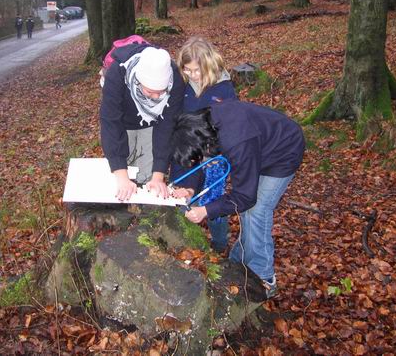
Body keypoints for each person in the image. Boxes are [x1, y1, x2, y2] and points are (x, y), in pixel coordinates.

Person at [170, 100, 305, 298]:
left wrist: (206, 210)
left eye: (201, 157)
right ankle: (238, 260)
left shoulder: (237, 140)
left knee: (257, 210)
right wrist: (190, 189)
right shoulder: (201, 125)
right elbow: (199, 162)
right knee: (247, 211)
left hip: (283, 151)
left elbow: (245, 197)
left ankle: (264, 277)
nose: (203, 161)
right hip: (258, 146)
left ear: (203, 145)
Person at [174, 36, 237, 252]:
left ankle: (219, 244)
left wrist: (217, 152)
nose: (192, 75)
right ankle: (186, 242)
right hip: (188, 150)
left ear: (208, 64)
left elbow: (231, 124)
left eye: (197, 70)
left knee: (212, 200)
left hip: (214, 154)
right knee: (184, 193)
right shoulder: (183, 86)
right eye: (188, 70)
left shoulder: (223, 88)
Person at [100, 43, 185, 201]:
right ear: (138, 81)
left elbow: (167, 126)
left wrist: (158, 176)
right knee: (121, 176)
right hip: (123, 122)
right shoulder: (117, 73)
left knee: (146, 176)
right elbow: (111, 123)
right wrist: (122, 176)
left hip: (152, 123)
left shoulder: (176, 79)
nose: (156, 97)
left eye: (161, 92)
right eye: (150, 92)